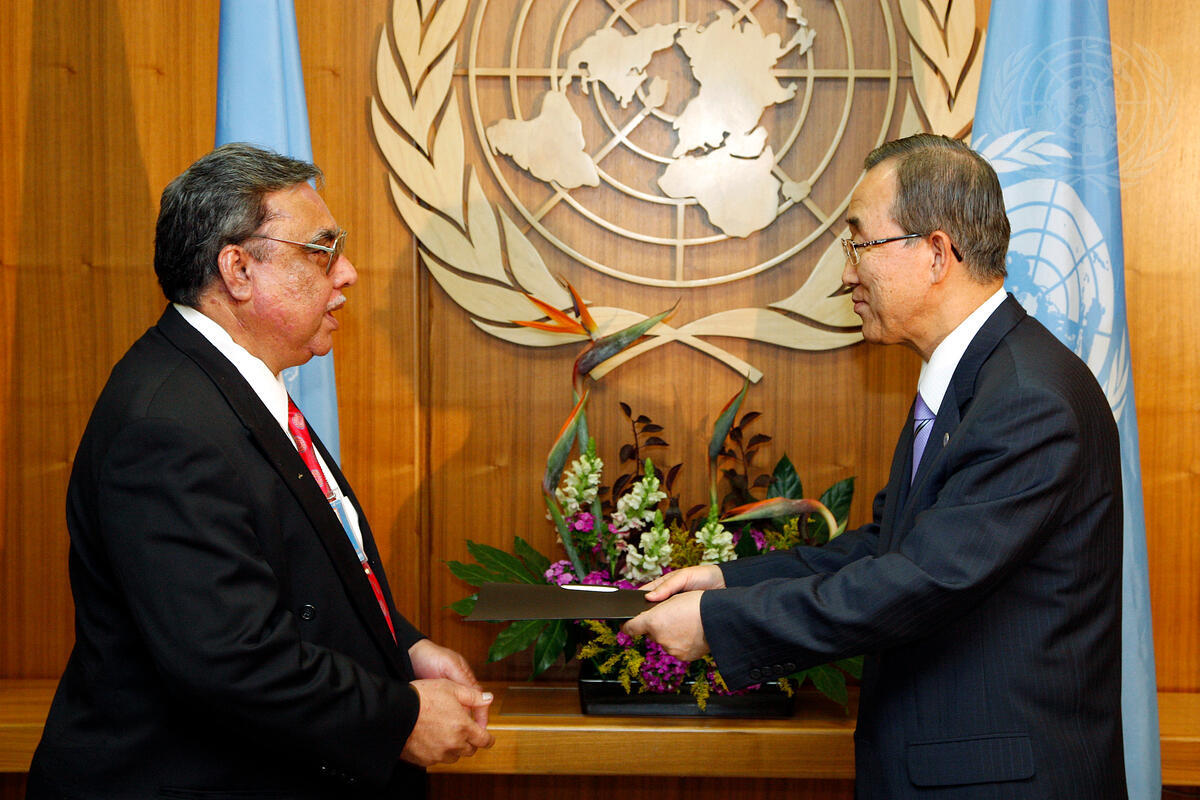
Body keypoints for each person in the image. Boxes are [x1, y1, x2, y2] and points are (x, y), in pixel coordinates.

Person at [624, 133, 1126, 798]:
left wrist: (718, 624)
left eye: (860, 243)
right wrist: (726, 580)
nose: (846, 274)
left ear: (937, 253)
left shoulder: (1028, 399)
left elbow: (919, 582)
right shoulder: (976, 382)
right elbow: (885, 549)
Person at [28, 143, 493, 799]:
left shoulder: (227, 386)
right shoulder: (169, 426)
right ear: (239, 270)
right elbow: (228, 658)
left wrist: (402, 647)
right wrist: (398, 719)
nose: (348, 272)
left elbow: (296, 576)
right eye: (322, 250)